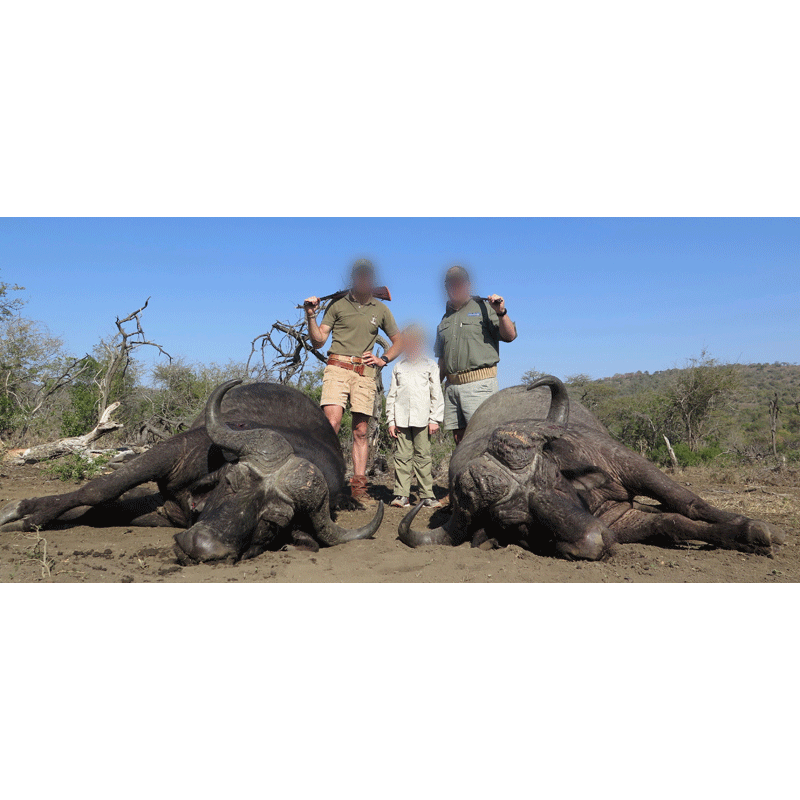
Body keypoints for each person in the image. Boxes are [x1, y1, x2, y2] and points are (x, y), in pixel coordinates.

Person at [304, 259, 403, 505]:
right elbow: (318, 341)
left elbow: (399, 340)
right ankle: (324, 480)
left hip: (364, 372)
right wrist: (311, 317)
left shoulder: (380, 309)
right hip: (337, 367)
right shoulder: (337, 305)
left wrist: (384, 359)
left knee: (361, 430)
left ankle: (359, 486)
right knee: (332, 423)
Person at [434, 265, 517, 446]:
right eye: (451, 283)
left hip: (479, 386)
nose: (455, 287)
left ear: (468, 285)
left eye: (459, 282)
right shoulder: (445, 319)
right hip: (452, 388)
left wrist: (501, 312)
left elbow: (510, 336)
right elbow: (442, 360)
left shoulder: (485, 307)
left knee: (482, 441)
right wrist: (431, 391)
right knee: (460, 442)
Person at [385, 325, 445, 509]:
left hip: (423, 420)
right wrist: (391, 421)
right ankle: (401, 495)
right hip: (401, 420)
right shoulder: (398, 367)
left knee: (423, 457)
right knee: (402, 458)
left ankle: (427, 495)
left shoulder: (430, 365)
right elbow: (392, 395)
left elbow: (436, 393)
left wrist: (434, 419)